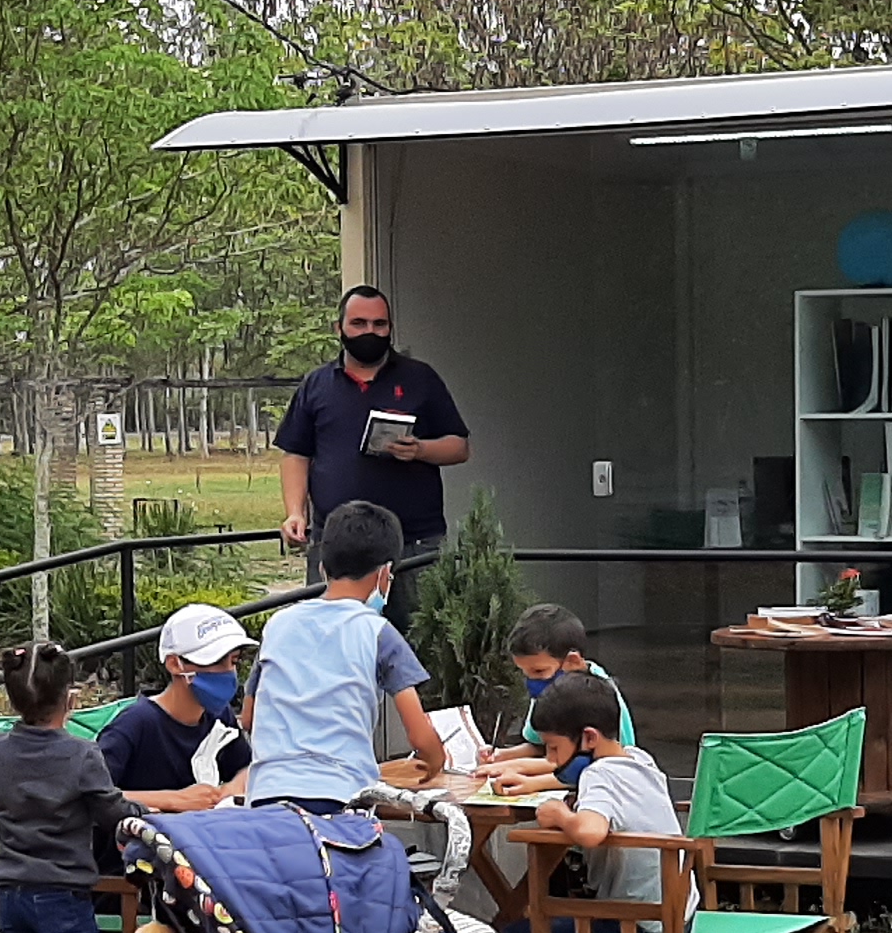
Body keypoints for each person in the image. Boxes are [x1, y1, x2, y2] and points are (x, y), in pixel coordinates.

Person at [272, 285, 468, 629]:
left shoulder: (421, 378)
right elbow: (295, 453)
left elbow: (459, 446)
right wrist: (293, 512)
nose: (370, 332)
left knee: (421, 640)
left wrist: (421, 449)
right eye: (359, 324)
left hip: (415, 542)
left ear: (390, 328)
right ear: (339, 328)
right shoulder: (316, 385)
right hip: (335, 544)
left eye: (379, 325)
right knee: (331, 639)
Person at [0, 640, 134, 933]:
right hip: (61, 892)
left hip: (10, 887)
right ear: (71, 698)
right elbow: (114, 814)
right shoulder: (82, 755)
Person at [242, 501, 447, 810]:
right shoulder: (378, 632)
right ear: (385, 574)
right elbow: (419, 735)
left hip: (266, 794)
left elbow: (249, 716)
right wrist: (435, 760)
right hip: (341, 796)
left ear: (322, 567)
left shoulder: (278, 625)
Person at [505, 670, 682, 933]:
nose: (551, 760)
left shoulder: (598, 775)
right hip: (678, 916)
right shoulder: (639, 759)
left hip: (637, 924)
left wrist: (561, 815)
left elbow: (590, 832)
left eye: (553, 748)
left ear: (589, 738)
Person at [94, 603, 256, 812]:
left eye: (234, 661)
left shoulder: (220, 715)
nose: (228, 672)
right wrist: (173, 800)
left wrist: (233, 788)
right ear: (174, 664)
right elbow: (93, 793)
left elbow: (247, 767)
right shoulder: (135, 724)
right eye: (215, 660)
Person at [478, 603, 632, 785]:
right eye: (524, 673)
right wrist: (502, 756)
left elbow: (588, 766)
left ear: (573, 661)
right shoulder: (550, 689)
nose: (531, 681)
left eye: (538, 671)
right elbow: (543, 745)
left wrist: (526, 777)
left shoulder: (597, 696)